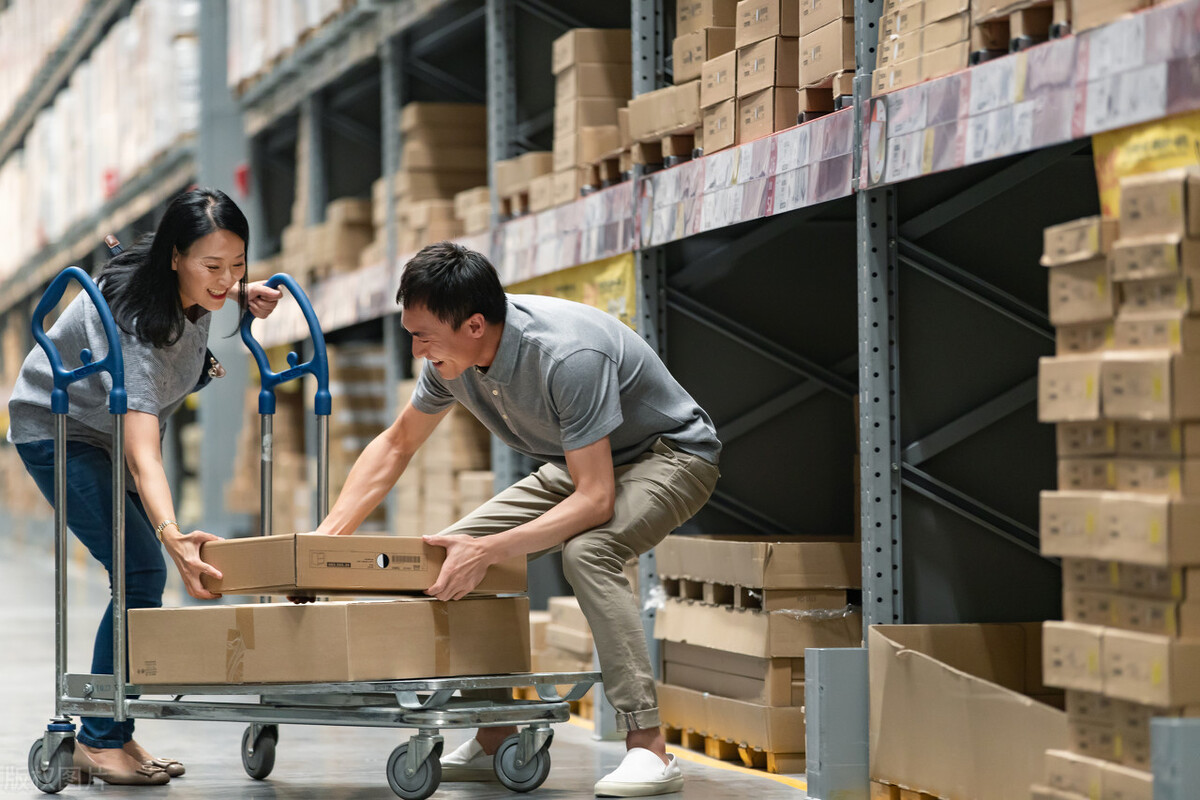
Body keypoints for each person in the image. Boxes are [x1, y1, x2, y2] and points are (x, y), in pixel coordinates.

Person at [314, 241, 720, 797]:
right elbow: (397, 444)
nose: (416, 350)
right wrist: (325, 543)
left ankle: (649, 746)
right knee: (449, 552)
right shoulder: (449, 361)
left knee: (588, 552)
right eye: (411, 334)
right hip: (581, 463)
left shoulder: (566, 357)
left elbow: (596, 500)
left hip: (670, 456)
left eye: (423, 336)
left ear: (475, 325)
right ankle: (494, 734)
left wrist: (493, 550)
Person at [8, 188, 281, 786]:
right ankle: (97, 740)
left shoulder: (186, 284)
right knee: (139, 570)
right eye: (213, 266)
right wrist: (172, 533)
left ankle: (114, 731)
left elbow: (208, 282)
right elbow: (142, 451)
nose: (225, 279)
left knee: (139, 575)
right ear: (175, 257)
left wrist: (239, 292)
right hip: (60, 430)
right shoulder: (138, 330)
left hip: (105, 432)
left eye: (237, 263)